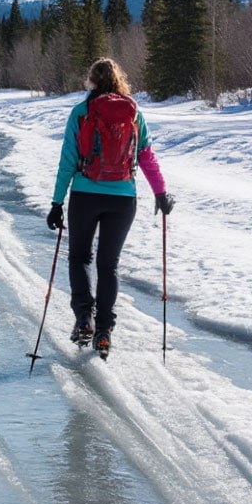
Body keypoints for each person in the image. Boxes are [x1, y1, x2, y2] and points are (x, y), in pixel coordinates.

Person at [45, 57, 174, 358]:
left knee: (79, 257)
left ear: (91, 80)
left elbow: (67, 161)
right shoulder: (132, 112)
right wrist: (161, 193)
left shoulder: (80, 112)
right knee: (109, 264)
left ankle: (84, 320)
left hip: (85, 195)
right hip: (123, 198)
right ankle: (104, 330)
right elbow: (146, 156)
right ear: (119, 80)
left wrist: (56, 202)